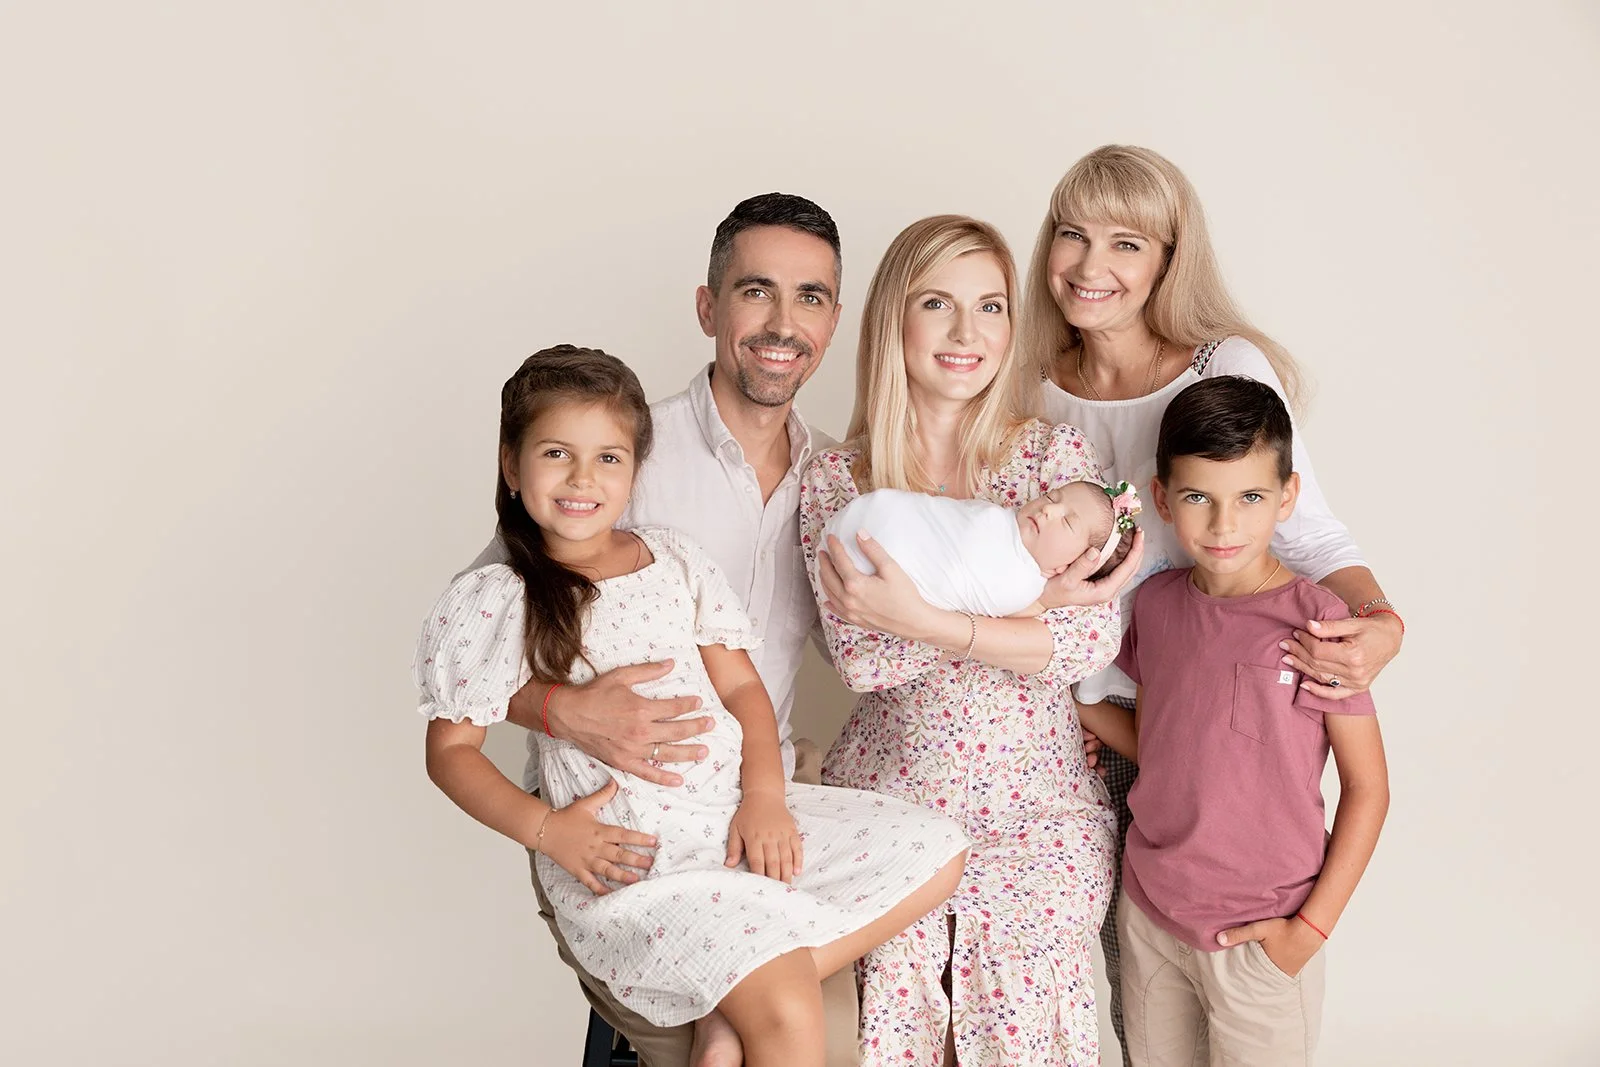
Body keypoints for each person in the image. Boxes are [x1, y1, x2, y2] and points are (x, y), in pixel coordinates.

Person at [417, 346, 969, 1067]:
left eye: (609, 458)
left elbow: (743, 689)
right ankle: (742, 995)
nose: (584, 478)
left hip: (729, 823)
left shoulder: (672, 558)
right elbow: (450, 752)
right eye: (557, 453)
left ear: (635, 469)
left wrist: (765, 796)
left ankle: (721, 1003)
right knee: (793, 1010)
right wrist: (549, 830)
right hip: (637, 860)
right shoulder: (503, 594)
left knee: (938, 851)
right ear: (512, 466)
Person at [1017, 144, 1406, 1062]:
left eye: (1126, 242)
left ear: (1168, 258)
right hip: (1065, 725)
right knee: (1128, 1005)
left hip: (1201, 738)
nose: (1091, 265)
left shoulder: (1219, 367)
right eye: (1071, 236)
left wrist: (1382, 623)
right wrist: (1063, 699)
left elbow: (1309, 533)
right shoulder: (1027, 381)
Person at [462, 193, 864, 1066]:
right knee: (741, 1037)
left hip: (759, 817)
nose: (783, 323)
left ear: (835, 318)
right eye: (756, 291)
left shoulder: (839, 481)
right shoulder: (622, 457)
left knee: (825, 1026)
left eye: (812, 297)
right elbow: (479, 634)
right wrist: (558, 709)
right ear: (709, 307)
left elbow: (867, 653)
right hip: (621, 834)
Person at [800, 214, 1142, 1065]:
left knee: (1017, 1014)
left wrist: (926, 621)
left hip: (1040, 807)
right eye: (938, 304)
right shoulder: (839, 479)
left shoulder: (1054, 462)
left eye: (991, 306)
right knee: (906, 1014)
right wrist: (1028, 612)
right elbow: (863, 660)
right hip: (890, 801)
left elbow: (1088, 638)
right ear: (893, 322)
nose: (967, 333)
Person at [1077, 376, 1389, 1065]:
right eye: (1198, 498)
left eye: (1250, 498)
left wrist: (1308, 930)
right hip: (1153, 918)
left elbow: (1369, 789)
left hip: (1263, 933)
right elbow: (1167, 745)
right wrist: (1082, 708)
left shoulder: (1319, 623)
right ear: (1162, 498)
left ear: (1287, 496)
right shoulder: (1156, 607)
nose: (1224, 525)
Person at [823, 478, 1140, 616]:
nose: (1048, 510)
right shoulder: (1001, 519)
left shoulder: (1020, 587)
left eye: (1067, 523)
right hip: (854, 532)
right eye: (1053, 497)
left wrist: (1044, 600)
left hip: (859, 563)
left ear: (1068, 567)